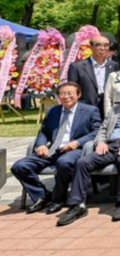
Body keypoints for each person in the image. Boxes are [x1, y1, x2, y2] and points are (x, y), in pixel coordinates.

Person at [58, 80, 120, 226]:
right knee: (82, 162)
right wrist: (100, 142)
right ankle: (77, 205)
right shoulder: (114, 110)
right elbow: (103, 129)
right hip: (110, 146)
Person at [11, 82, 101, 215]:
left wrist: (77, 142)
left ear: (78, 94)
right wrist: (41, 145)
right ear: (58, 96)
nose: (66, 97)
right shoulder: (53, 111)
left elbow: (96, 131)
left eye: (70, 93)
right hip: (52, 149)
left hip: (74, 149)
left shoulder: (90, 110)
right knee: (19, 166)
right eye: (62, 94)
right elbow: (43, 131)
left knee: (63, 163)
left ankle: (58, 199)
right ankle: (42, 195)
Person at [67, 35, 120, 109]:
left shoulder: (114, 66)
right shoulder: (77, 67)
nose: (102, 48)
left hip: (107, 107)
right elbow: (72, 89)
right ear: (91, 47)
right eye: (98, 45)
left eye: (106, 45)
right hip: (86, 107)